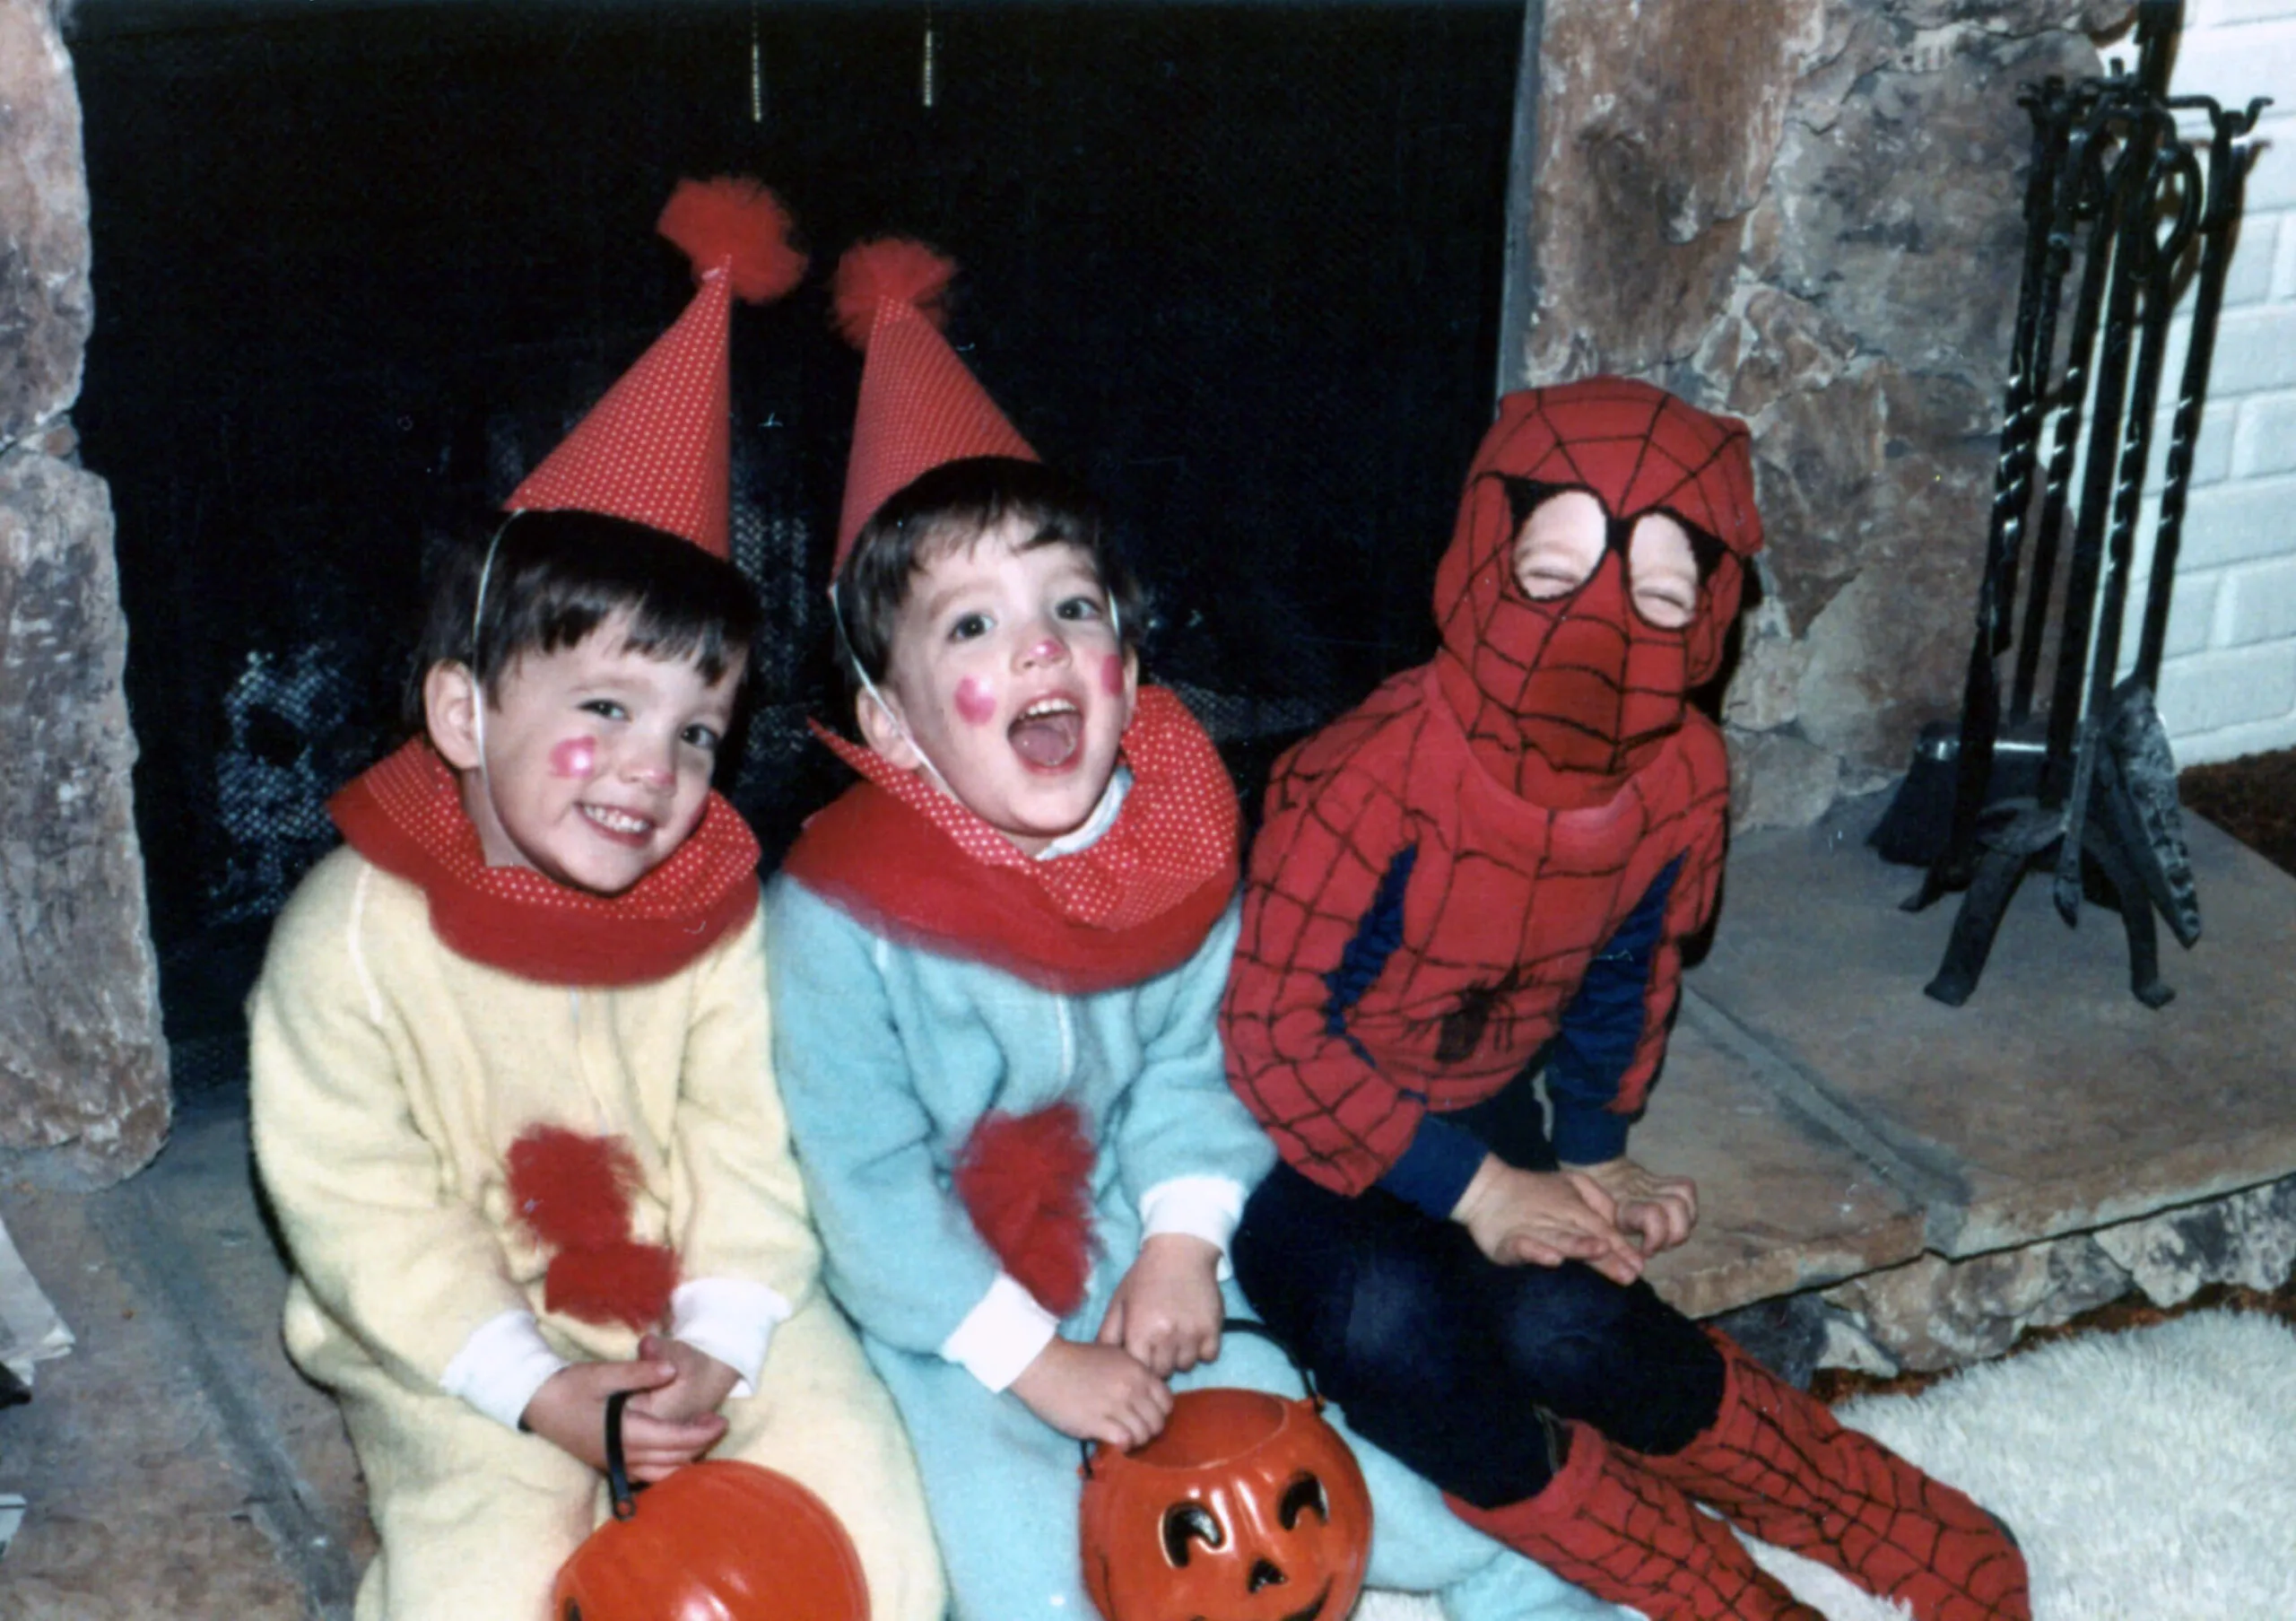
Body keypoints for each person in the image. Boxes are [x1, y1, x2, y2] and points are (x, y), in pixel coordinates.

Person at [767, 238, 1619, 1621]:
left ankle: (1528, 1585)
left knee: (1312, 1474)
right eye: (973, 626)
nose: (1038, 646)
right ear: (892, 728)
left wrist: (1180, 1238)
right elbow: (864, 1184)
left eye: (1073, 607)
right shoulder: (840, 918)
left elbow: (1205, 1060)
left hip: (1132, 1243)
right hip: (944, 1313)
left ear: (1130, 665)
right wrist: (1034, 1364)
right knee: (1018, 1562)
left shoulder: (1169, 848)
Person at [1221, 375, 2031, 1621]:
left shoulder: (1684, 779)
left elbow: (1626, 975)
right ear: (1484, 562)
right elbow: (1274, 1040)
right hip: (1285, 1148)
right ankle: (1713, 1592)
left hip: (1485, 1102)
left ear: (1709, 622)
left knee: (1570, 1324)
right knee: (1394, 1327)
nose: (1600, 633)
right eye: (1552, 577)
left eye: (1658, 599)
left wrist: (1594, 1154)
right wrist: (1484, 1195)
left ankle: (1863, 1506)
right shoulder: (1368, 777)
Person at [248, 179, 942, 1621]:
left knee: (877, 1549)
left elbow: (753, 1142)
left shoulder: (716, 912)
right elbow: (362, 1208)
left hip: (709, 1298)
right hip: (458, 1341)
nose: (654, 769)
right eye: (607, 705)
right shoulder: (351, 941)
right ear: (460, 709)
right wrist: (532, 1385)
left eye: (697, 730)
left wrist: (729, 1331)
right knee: (485, 1588)